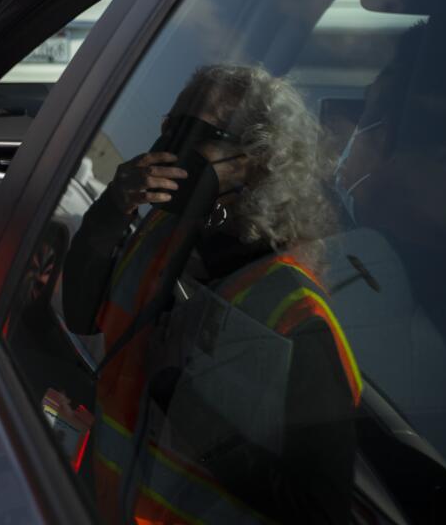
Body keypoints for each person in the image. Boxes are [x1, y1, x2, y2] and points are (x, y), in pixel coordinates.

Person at [62, 65, 359, 524]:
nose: (166, 148)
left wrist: (182, 402)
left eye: (194, 132)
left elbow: (318, 510)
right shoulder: (165, 227)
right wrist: (112, 209)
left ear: (254, 160)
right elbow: (82, 316)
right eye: (169, 127)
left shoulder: (297, 315)